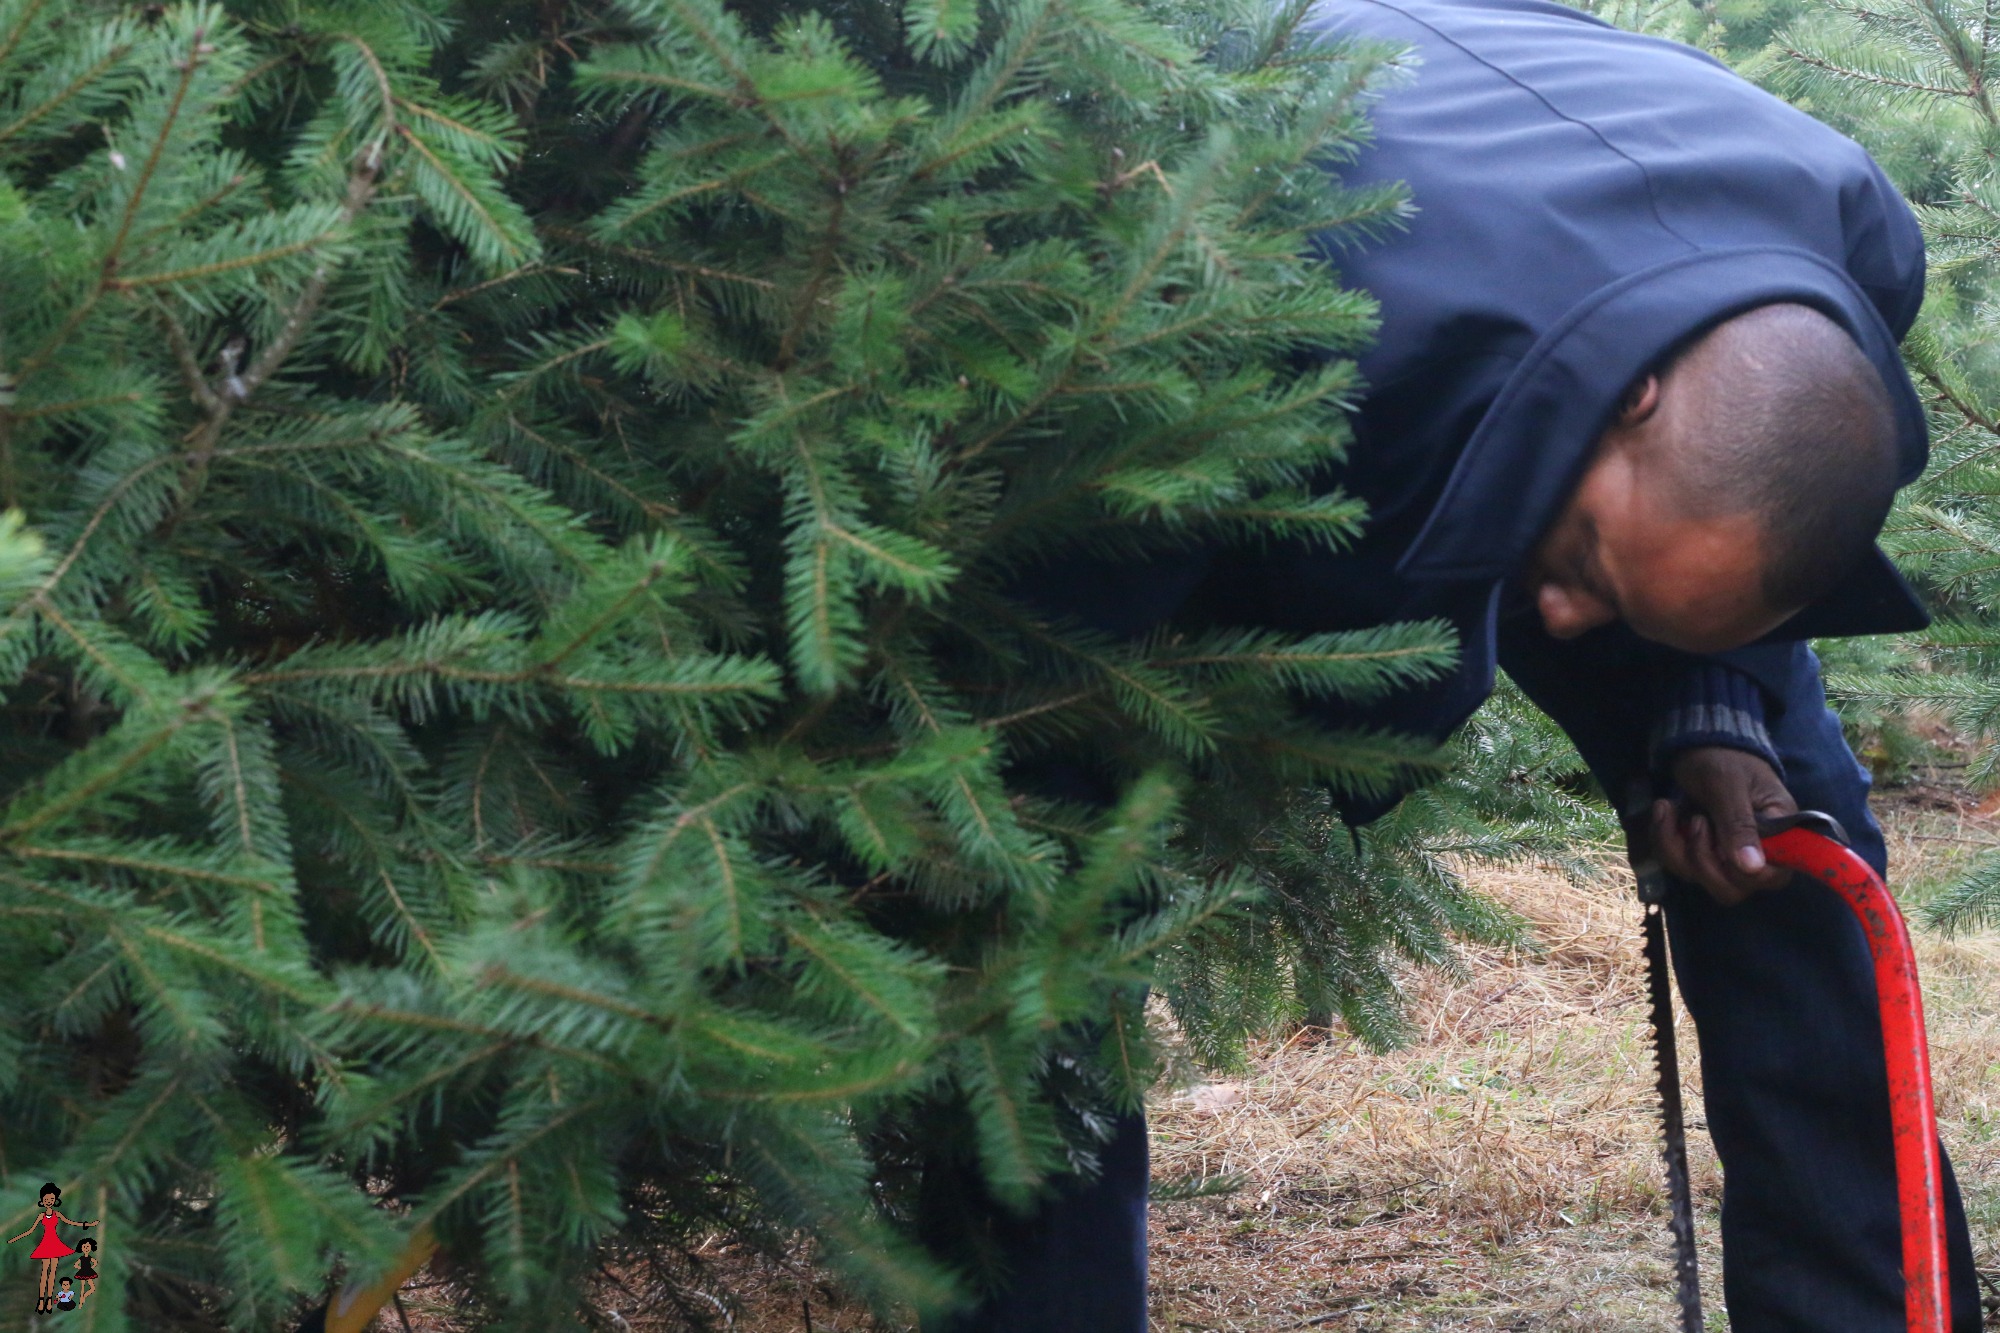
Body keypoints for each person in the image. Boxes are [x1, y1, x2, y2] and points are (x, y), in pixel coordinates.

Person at [932, 0, 1985, 1329]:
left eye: (1624, 605)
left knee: (1789, 859)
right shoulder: (1286, 290)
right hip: (1233, 361)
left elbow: (1741, 517)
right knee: (1045, 940)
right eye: (1585, 573)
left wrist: (1712, 707)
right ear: (1635, 398)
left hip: (1573, 353)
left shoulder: (1846, 262)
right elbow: (1044, 677)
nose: (1551, 617)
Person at [7, 1184, 96, 1316]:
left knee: (52, 1274)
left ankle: (49, 1301)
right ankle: (41, 1301)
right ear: (43, 1200)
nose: (49, 1201)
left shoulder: (57, 1214)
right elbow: (30, 1230)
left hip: (54, 1243)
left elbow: (71, 1222)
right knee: (44, 1274)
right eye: (47, 1199)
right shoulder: (41, 1216)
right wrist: (15, 1237)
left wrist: (85, 1224)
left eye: (51, 1199)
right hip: (46, 1243)